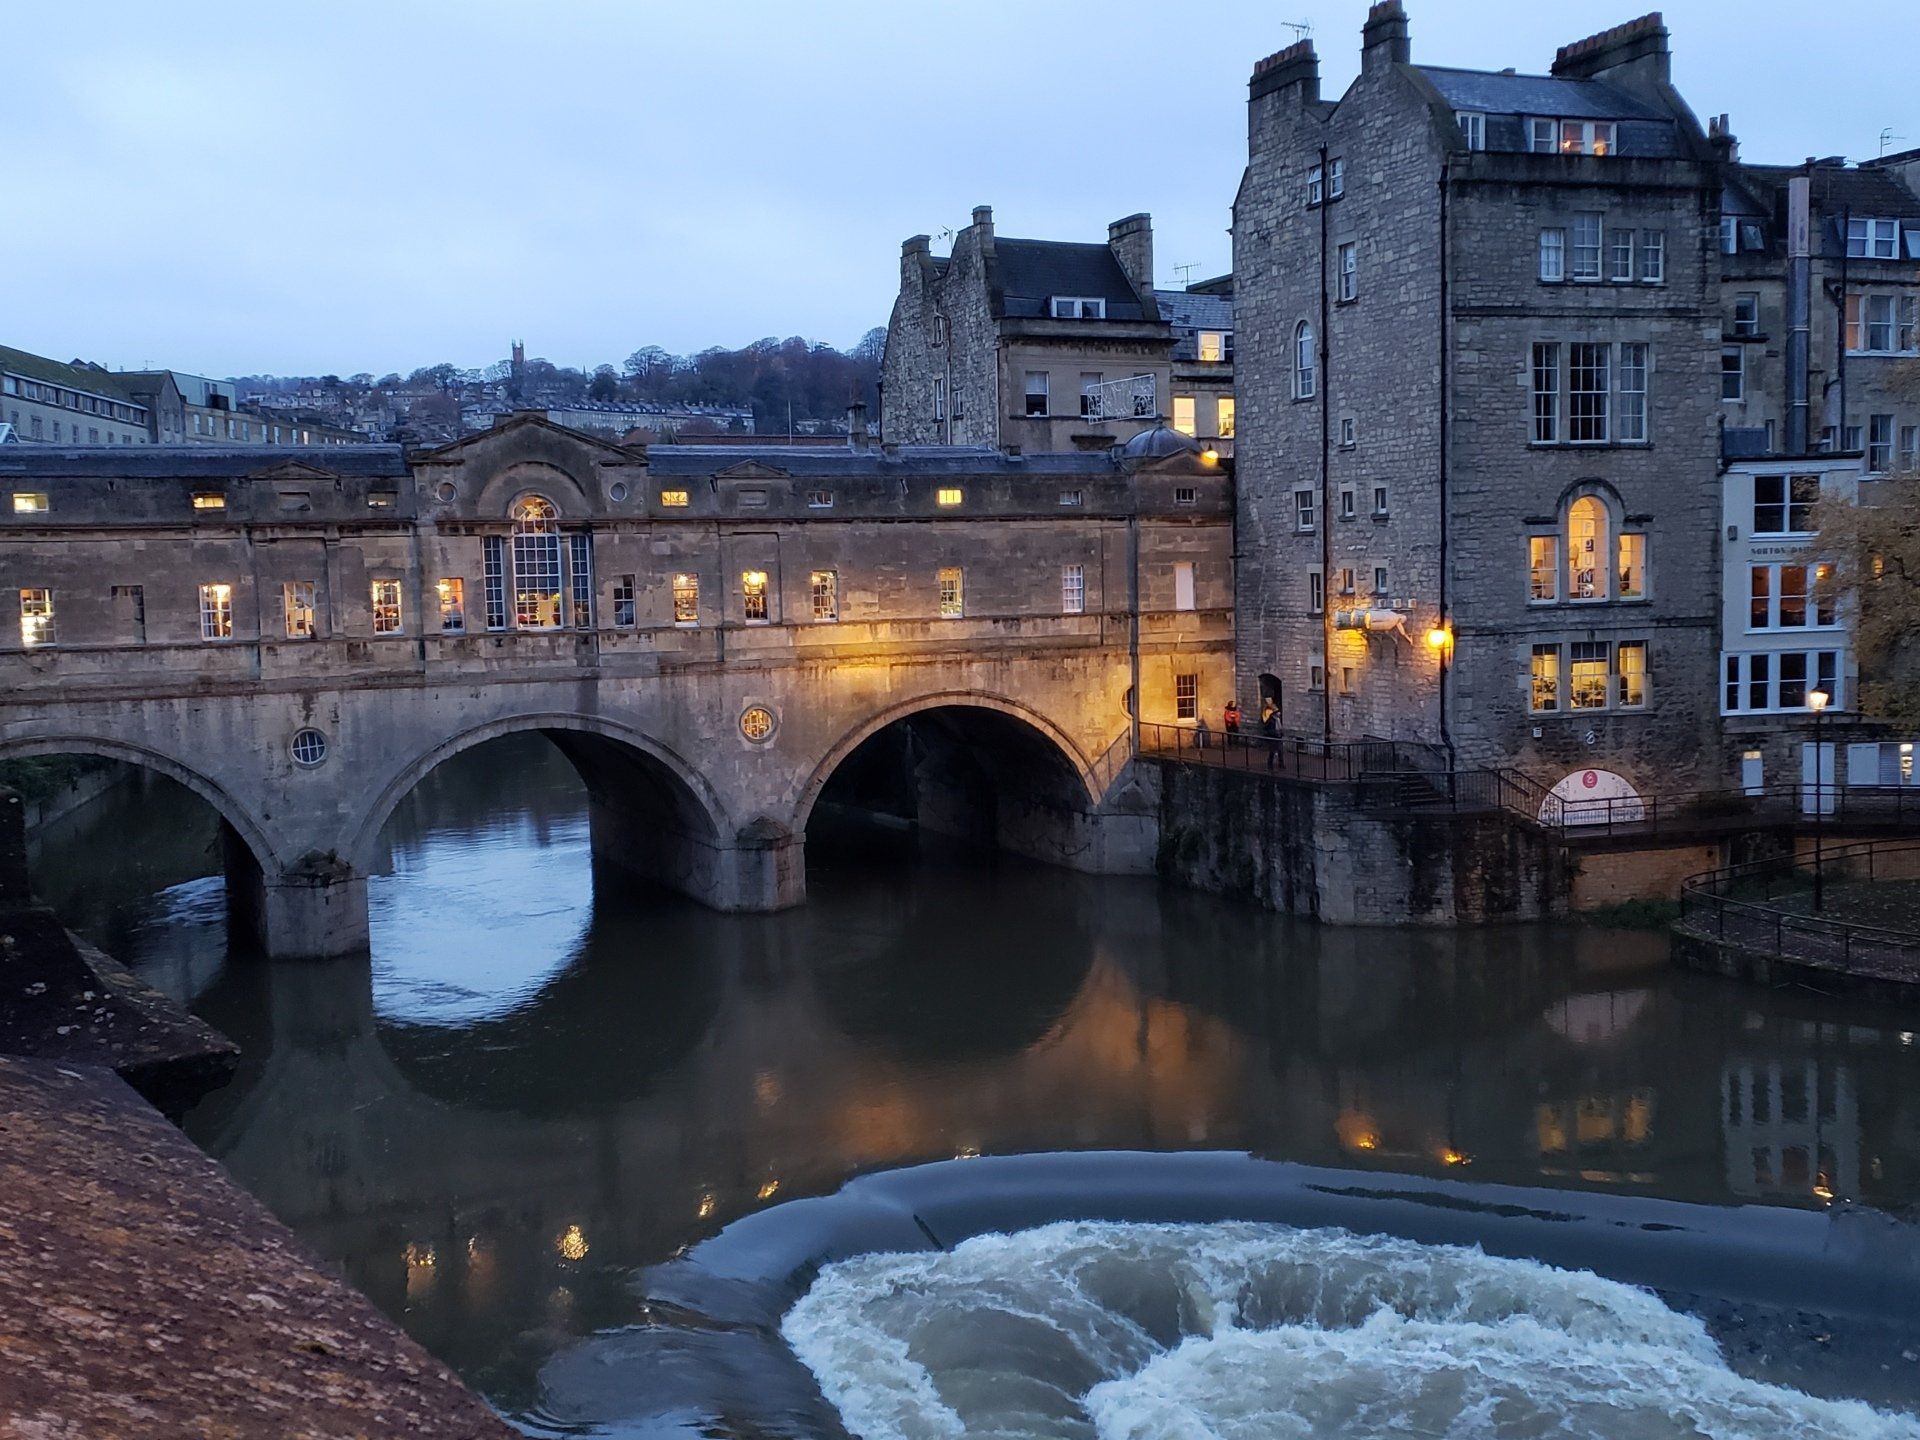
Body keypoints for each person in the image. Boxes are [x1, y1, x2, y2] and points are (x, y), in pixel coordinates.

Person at [1261, 699, 1281, 770]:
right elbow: (1266, 728)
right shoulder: (1270, 720)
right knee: (1272, 752)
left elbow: (1279, 728)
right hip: (1272, 738)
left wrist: (1280, 733)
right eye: (1278, 712)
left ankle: (1281, 764)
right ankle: (1270, 765)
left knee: (1280, 751)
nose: (1279, 713)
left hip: (1278, 737)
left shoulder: (1277, 720)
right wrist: (1273, 733)